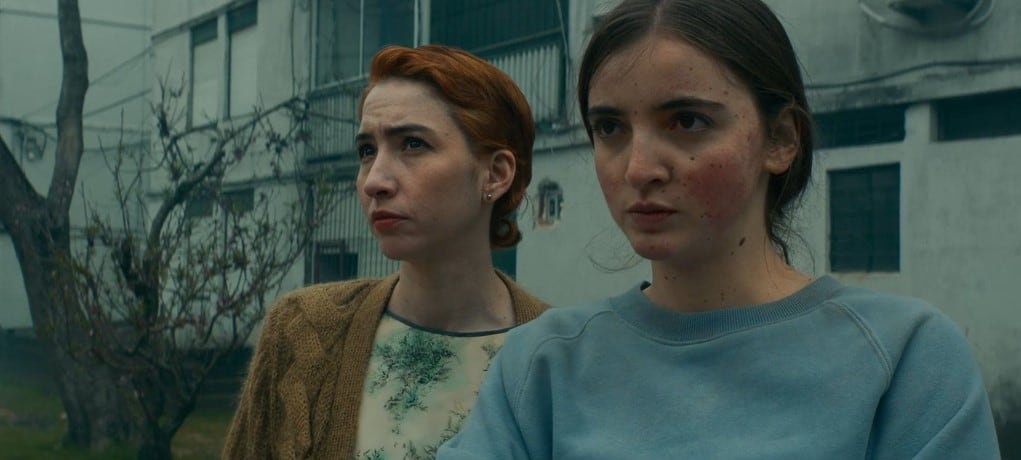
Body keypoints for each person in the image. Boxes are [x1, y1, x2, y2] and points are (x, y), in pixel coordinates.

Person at [437, 0, 1001, 458]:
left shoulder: (906, 358)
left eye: (687, 121)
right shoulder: (540, 365)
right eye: (609, 128)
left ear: (780, 139)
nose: (638, 168)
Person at [222, 45, 548, 460]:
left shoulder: (562, 357)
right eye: (367, 151)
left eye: (412, 144)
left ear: (496, 174)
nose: (374, 180)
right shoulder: (303, 330)